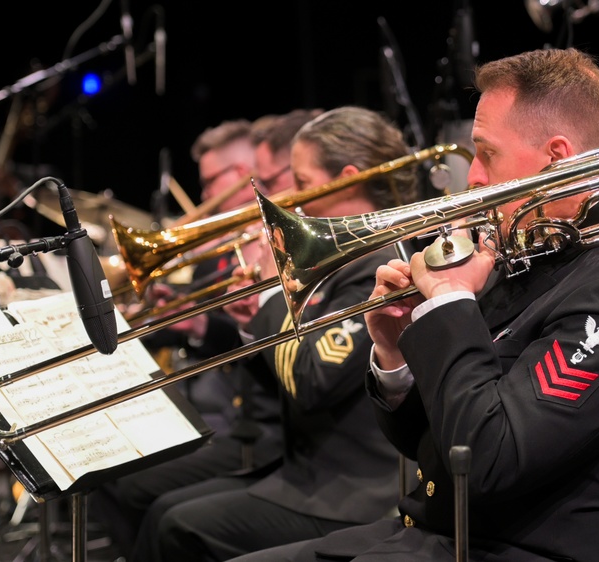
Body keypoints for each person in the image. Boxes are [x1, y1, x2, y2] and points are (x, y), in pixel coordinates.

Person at [232, 47, 599, 562]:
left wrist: (449, 302)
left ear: (557, 158)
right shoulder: (525, 263)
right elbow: (429, 445)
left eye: (486, 153)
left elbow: (486, 460)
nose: (472, 176)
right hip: (436, 538)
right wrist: (393, 354)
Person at [143, 106, 422, 562]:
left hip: (354, 491)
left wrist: (271, 297)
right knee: (166, 513)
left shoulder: (381, 265)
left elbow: (311, 380)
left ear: (347, 180)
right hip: (305, 472)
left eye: (303, 183)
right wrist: (249, 318)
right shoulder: (339, 260)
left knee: (175, 525)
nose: (290, 199)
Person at [89, 118, 286, 559]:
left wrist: (201, 325)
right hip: (216, 402)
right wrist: (182, 316)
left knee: (150, 499)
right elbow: (220, 330)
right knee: (101, 474)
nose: (203, 196)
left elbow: (260, 341)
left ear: (240, 176)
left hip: (252, 420)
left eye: (211, 181)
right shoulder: (215, 248)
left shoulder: (274, 240)